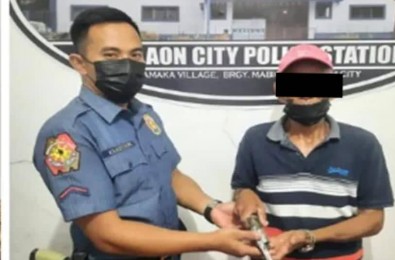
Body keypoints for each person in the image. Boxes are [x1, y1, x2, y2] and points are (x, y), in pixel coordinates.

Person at [32, 7, 264, 260]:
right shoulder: (68, 134)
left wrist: (213, 208)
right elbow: (106, 234)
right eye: (111, 54)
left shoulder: (143, 114)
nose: (127, 64)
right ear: (79, 63)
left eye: (135, 54)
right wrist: (211, 242)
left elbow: (170, 175)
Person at [231, 44, 394, 260]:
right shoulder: (255, 140)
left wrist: (309, 236)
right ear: (279, 91)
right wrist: (245, 194)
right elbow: (242, 188)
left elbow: (373, 219)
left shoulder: (363, 144)